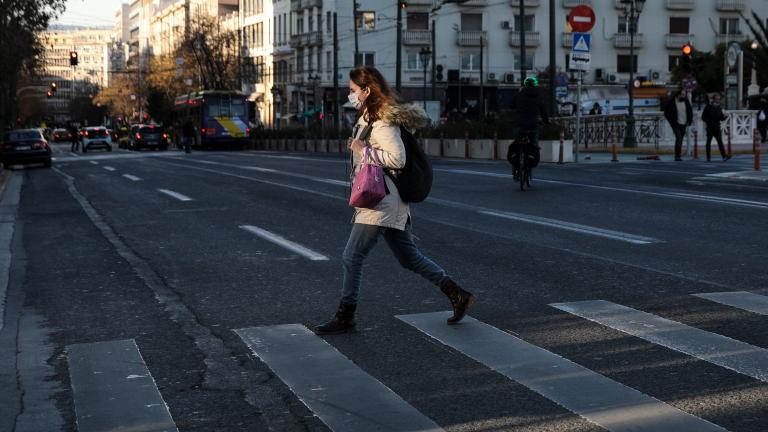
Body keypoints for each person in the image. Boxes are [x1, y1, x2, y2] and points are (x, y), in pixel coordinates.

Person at [314, 66, 476, 335]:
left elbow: (397, 159)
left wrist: (363, 149)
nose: (350, 95)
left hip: (381, 202)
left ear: (366, 91)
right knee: (408, 257)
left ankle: (346, 315)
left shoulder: (382, 122)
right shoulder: (368, 119)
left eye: (353, 90)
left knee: (351, 256)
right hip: (386, 200)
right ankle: (458, 294)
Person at [509, 77, 549, 179]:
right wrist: (546, 122)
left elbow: (511, 105)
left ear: (525, 85)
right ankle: (531, 157)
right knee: (534, 144)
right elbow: (544, 112)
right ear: (535, 85)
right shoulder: (538, 97)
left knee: (517, 142)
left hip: (519, 124)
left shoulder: (519, 95)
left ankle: (515, 164)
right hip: (533, 125)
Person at [663, 89, 693, 161]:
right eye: (682, 94)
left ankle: (678, 155)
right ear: (678, 94)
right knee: (679, 138)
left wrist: (689, 121)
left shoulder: (686, 101)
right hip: (676, 124)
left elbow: (690, 111)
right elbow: (666, 112)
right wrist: (671, 122)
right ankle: (677, 156)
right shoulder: (672, 102)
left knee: (680, 139)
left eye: (684, 94)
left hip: (684, 123)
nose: (684, 96)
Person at [701, 94, 730, 162]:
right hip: (710, 128)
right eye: (716, 99)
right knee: (708, 142)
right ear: (713, 99)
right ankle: (708, 157)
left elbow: (721, 118)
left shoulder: (719, 107)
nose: (717, 100)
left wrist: (725, 117)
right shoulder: (708, 107)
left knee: (720, 142)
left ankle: (724, 156)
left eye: (718, 99)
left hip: (717, 127)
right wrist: (709, 122)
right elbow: (703, 117)